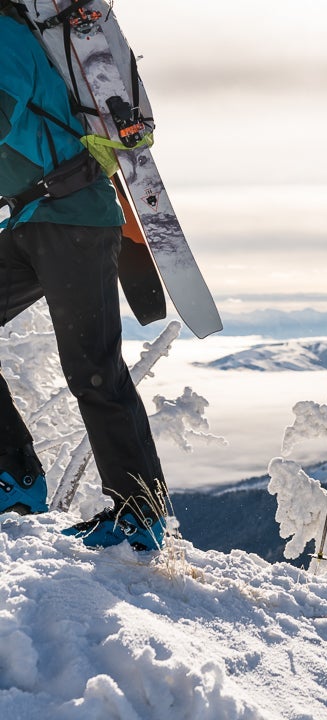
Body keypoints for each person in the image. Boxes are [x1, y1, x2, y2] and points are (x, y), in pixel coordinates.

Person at [0, 11, 167, 549]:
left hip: (76, 217)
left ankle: (141, 511)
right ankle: (15, 477)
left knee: (93, 366)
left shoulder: (4, 34)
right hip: (28, 219)